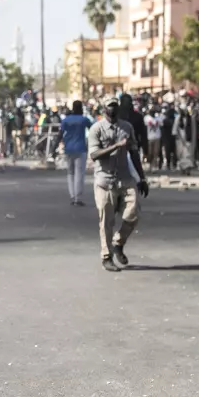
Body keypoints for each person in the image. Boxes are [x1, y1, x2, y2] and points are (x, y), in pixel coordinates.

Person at [88, 96, 149, 272]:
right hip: (104, 180)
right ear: (104, 109)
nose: (113, 109)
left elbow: (134, 153)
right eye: (110, 106)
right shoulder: (96, 129)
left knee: (134, 212)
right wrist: (116, 146)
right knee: (106, 220)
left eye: (115, 106)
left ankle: (118, 242)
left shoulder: (127, 127)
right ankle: (106, 257)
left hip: (125, 177)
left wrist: (142, 178)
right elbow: (94, 155)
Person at [59, 100, 92, 206]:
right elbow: (93, 129)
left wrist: (54, 148)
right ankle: (78, 198)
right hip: (80, 148)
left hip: (68, 148)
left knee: (70, 173)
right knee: (79, 173)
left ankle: (72, 196)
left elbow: (60, 134)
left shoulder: (66, 120)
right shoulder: (84, 120)